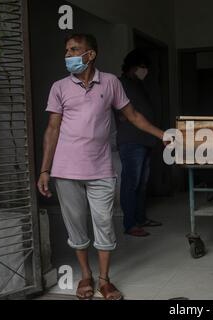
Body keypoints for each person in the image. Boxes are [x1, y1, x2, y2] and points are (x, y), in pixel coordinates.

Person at [37, 34, 166, 300]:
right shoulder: (59, 87)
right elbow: (52, 129)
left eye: (74, 50)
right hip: (66, 169)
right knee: (76, 227)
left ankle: (105, 280)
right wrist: (44, 170)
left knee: (105, 223)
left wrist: (161, 134)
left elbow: (133, 117)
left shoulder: (110, 83)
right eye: (66, 50)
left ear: (91, 54)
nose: (68, 55)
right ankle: (86, 275)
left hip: (101, 169)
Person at [115, 49, 163, 238]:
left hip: (145, 140)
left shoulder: (138, 85)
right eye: (142, 67)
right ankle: (130, 224)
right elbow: (123, 112)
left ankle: (140, 218)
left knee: (142, 183)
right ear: (133, 67)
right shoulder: (120, 84)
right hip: (131, 141)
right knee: (131, 182)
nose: (146, 71)